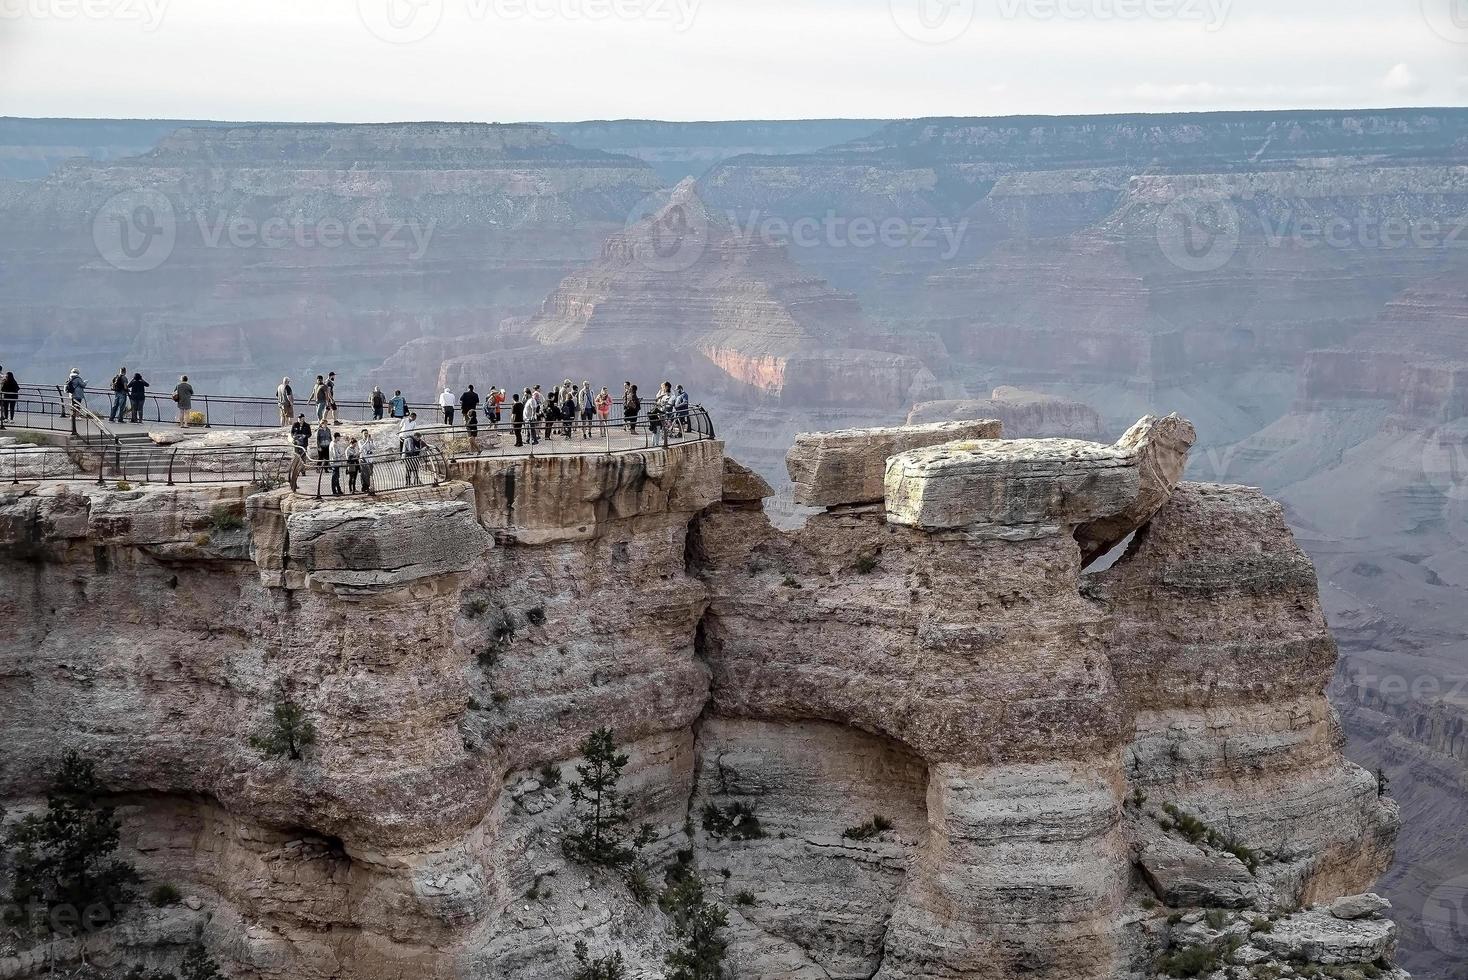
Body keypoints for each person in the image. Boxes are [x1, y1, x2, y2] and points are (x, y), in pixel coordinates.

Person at [329, 431, 347, 496]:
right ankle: (334, 491)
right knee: (335, 477)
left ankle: (338, 490)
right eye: (339, 437)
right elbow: (335, 454)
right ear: (337, 437)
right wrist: (341, 455)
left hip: (336, 462)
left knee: (337, 477)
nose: (339, 438)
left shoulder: (334, 443)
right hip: (335, 462)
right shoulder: (334, 444)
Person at [358, 430, 376, 494]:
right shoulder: (360, 441)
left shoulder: (370, 441)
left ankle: (369, 487)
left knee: (370, 474)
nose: (366, 435)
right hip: (363, 459)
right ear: (362, 434)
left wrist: (370, 441)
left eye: (367, 433)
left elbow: (374, 448)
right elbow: (361, 448)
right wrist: (366, 442)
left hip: (370, 460)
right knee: (364, 474)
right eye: (364, 433)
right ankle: (364, 487)